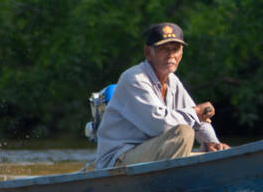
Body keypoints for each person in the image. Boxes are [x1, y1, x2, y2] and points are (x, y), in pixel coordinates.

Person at [93, 22, 231, 170]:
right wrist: (196, 112)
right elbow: (160, 125)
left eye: (175, 49)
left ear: (181, 54)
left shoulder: (172, 81)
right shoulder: (134, 78)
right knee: (183, 133)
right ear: (148, 53)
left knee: (214, 148)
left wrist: (212, 143)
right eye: (163, 49)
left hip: (149, 155)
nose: (171, 55)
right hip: (118, 160)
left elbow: (198, 120)